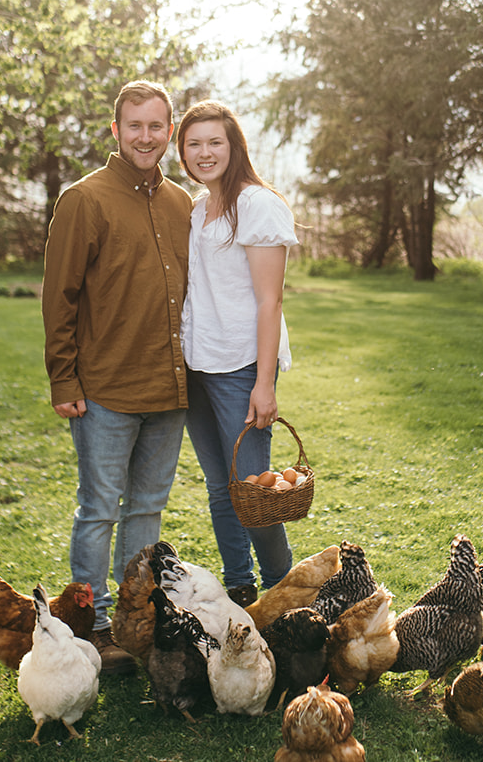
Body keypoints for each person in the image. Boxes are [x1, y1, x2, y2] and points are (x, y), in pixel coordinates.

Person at [41, 80, 191, 674]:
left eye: (157, 126)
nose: (146, 137)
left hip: (170, 389)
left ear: (169, 132)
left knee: (148, 510)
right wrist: (63, 380)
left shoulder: (182, 203)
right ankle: (92, 625)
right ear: (116, 131)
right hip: (105, 389)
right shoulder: (84, 200)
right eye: (135, 126)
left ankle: (135, 618)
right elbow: (60, 297)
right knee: (99, 509)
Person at [175, 99, 298, 607]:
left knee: (254, 492)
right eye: (193, 143)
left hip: (241, 366)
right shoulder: (198, 207)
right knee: (220, 487)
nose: (204, 153)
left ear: (234, 146)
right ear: (181, 151)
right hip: (197, 364)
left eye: (214, 142)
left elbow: (271, 300)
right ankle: (239, 586)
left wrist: (263, 383)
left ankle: (285, 592)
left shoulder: (257, 204)